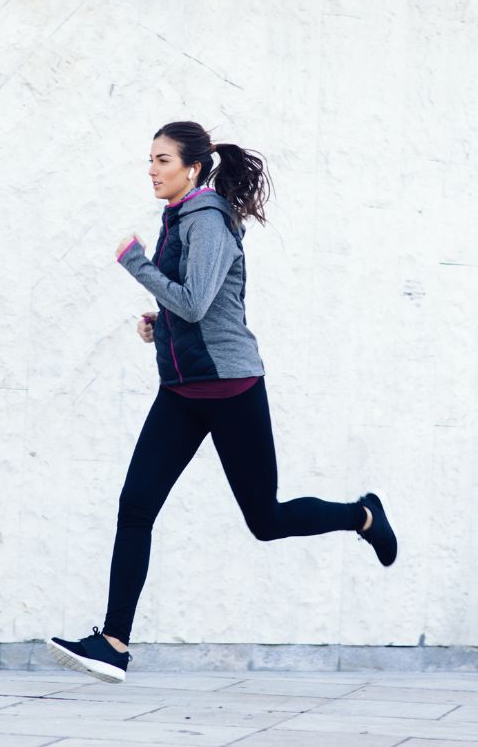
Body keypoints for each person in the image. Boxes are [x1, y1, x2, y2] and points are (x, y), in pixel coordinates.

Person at [45, 121, 397, 684]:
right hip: (183, 392)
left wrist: (136, 263)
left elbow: (196, 301)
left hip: (232, 390)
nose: (152, 170)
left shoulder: (206, 219)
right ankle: (114, 641)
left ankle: (363, 515)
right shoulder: (181, 218)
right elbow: (200, 307)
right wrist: (159, 326)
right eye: (150, 160)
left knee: (266, 520)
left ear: (192, 166)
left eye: (162, 160)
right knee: (135, 507)